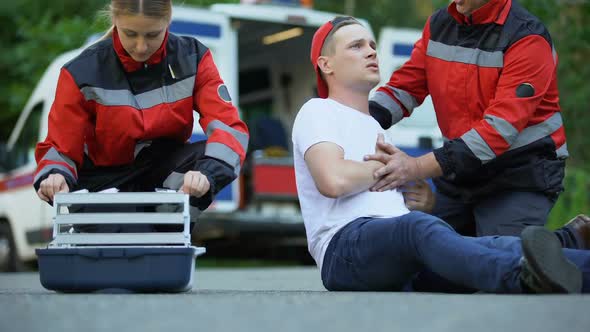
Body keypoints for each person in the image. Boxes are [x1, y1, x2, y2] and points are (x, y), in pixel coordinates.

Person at [293, 16, 590, 293]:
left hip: (396, 254)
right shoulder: (318, 110)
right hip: (344, 250)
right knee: (419, 229)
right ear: (326, 64)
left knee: (495, 246)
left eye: (371, 45)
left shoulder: (375, 126)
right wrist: (395, 171)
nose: (371, 52)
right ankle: (524, 279)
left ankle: (574, 262)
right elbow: (332, 180)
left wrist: (421, 199)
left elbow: (389, 200)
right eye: (356, 46)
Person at [365, 0, 584, 245]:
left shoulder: (528, 37)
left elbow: (498, 132)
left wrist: (415, 167)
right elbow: (404, 89)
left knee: (500, 264)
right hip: (461, 171)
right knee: (423, 256)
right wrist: (354, 120)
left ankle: (574, 240)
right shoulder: (439, 25)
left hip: (519, 175)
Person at [33, 0, 248, 227]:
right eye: (130, 34)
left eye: (152, 35)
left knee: (207, 156)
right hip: (102, 181)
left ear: (168, 21)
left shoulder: (193, 57)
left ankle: (172, 228)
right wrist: (55, 175)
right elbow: (60, 144)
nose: (141, 46)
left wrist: (208, 174)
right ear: (115, 20)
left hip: (164, 172)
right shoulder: (80, 72)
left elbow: (228, 127)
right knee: (113, 245)